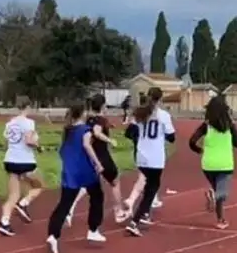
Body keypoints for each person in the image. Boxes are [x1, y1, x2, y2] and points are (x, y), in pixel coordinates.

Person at [45, 103, 106, 253]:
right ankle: (93, 229)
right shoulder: (85, 130)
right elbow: (86, 146)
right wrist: (98, 163)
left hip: (70, 171)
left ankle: (53, 235)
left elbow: (63, 151)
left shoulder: (68, 131)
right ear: (82, 113)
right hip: (84, 170)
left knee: (64, 204)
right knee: (97, 196)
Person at [65, 93, 128, 226]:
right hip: (101, 156)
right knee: (115, 181)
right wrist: (110, 140)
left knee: (86, 184)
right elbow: (97, 132)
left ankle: (69, 209)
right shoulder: (100, 120)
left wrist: (108, 126)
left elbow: (94, 128)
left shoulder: (88, 119)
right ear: (103, 106)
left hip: (89, 157)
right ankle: (119, 212)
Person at [125, 87, 175, 237]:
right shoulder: (163, 115)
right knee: (152, 189)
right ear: (160, 99)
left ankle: (144, 213)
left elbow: (129, 132)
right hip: (155, 158)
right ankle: (135, 220)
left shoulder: (139, 114)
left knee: (148, 186)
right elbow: (172, 137)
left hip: (141, 156)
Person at [188, 95, 237, 228]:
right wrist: (233, 125)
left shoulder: (206, 126)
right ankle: (218, 212)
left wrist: (199, 150)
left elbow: (191, 141)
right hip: (225, 164)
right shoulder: (229, 125)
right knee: (221, 194)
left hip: (208, 165)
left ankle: (218, 210)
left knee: (219, 191)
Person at [0, 101, 45, 236]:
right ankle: (24, 203)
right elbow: (29, 141)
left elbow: (5, 144)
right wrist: (39, 147)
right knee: (38, 186)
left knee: (13, 195)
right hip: (25, 161)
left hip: (10, 160)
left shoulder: (9, 123)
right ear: (28, 107)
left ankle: (4, 222)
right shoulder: (29, 123)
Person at [124, 92, 163, 215]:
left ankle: (153, 198)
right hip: (148, 152)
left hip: (139, 151)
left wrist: (136, 138)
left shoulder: (137, 117)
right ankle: (131, 200)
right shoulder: (153, 116)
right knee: (145, 177)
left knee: (149, 178)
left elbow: (128, 133)